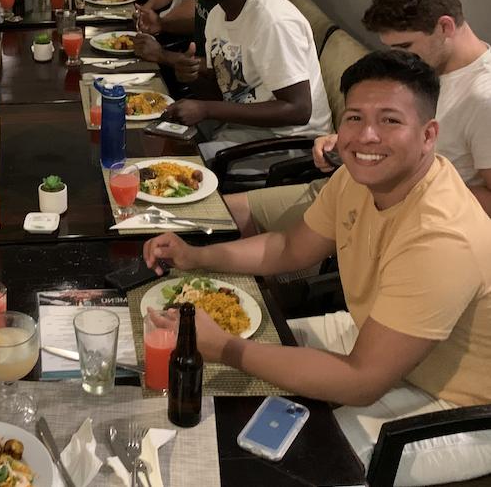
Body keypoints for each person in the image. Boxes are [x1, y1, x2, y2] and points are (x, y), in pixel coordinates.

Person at [144, 50, 491, 486]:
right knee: (226, 382)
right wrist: (195, 255)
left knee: (292, 466)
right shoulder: (357, 178)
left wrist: (225, 347)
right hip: (372, 334)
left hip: (456, 402)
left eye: (390, 120)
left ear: (428, 134)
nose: (367, 136)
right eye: (354, 118)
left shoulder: (443, 236)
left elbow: (361, 382)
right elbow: (289, 248)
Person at [228, 0, 491, 236]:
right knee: (221, 215)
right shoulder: (428, 67)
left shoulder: (482, 97)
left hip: (400, 219)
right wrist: (350, 142)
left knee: (246, 243)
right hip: (350, 188)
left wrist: (400, 181)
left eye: (405, 47)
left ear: (445, 27)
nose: (401, 59)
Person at [161, 0, 332, 157]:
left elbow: (298, 109)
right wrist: (192, 77)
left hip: (292, 140)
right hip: (242, 125)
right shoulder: (217, 14)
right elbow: (221, 92)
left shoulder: (273, 21)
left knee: (187, 165)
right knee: (161, 133)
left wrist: (206, 109)